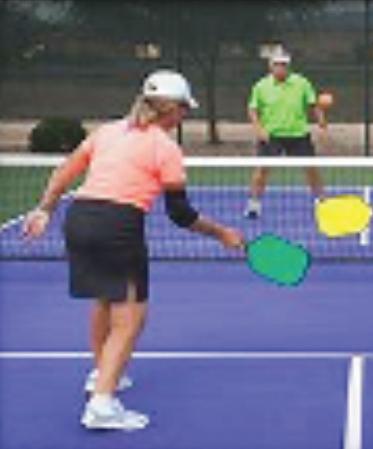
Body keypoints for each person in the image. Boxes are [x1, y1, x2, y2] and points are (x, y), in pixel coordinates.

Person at [22, 70, 244, 430]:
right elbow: (180, 214)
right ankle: (102, 405)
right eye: (184, 109)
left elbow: (65, 172)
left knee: (104, 299)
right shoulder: (165, 148)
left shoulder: (108, 131)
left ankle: (102, 373)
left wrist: (45, 208)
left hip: (79, 219)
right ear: (171, 109)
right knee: (131, 318)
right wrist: (222, 234)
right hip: (117, 228)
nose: (185, 115)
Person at [245, 49, 328, 219]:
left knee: (311, 169)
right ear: (271, 66)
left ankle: (321, 202)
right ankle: (254, 204)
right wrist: (259, 129)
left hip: (299, 135)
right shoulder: (261, 86)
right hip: (271, 136)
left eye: (284, 65)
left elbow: (313, 104)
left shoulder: (302, 83)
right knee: (262, 170)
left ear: (288, 66)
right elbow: (252, 109)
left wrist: (321, 121)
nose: (280, 68)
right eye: (277, 65)